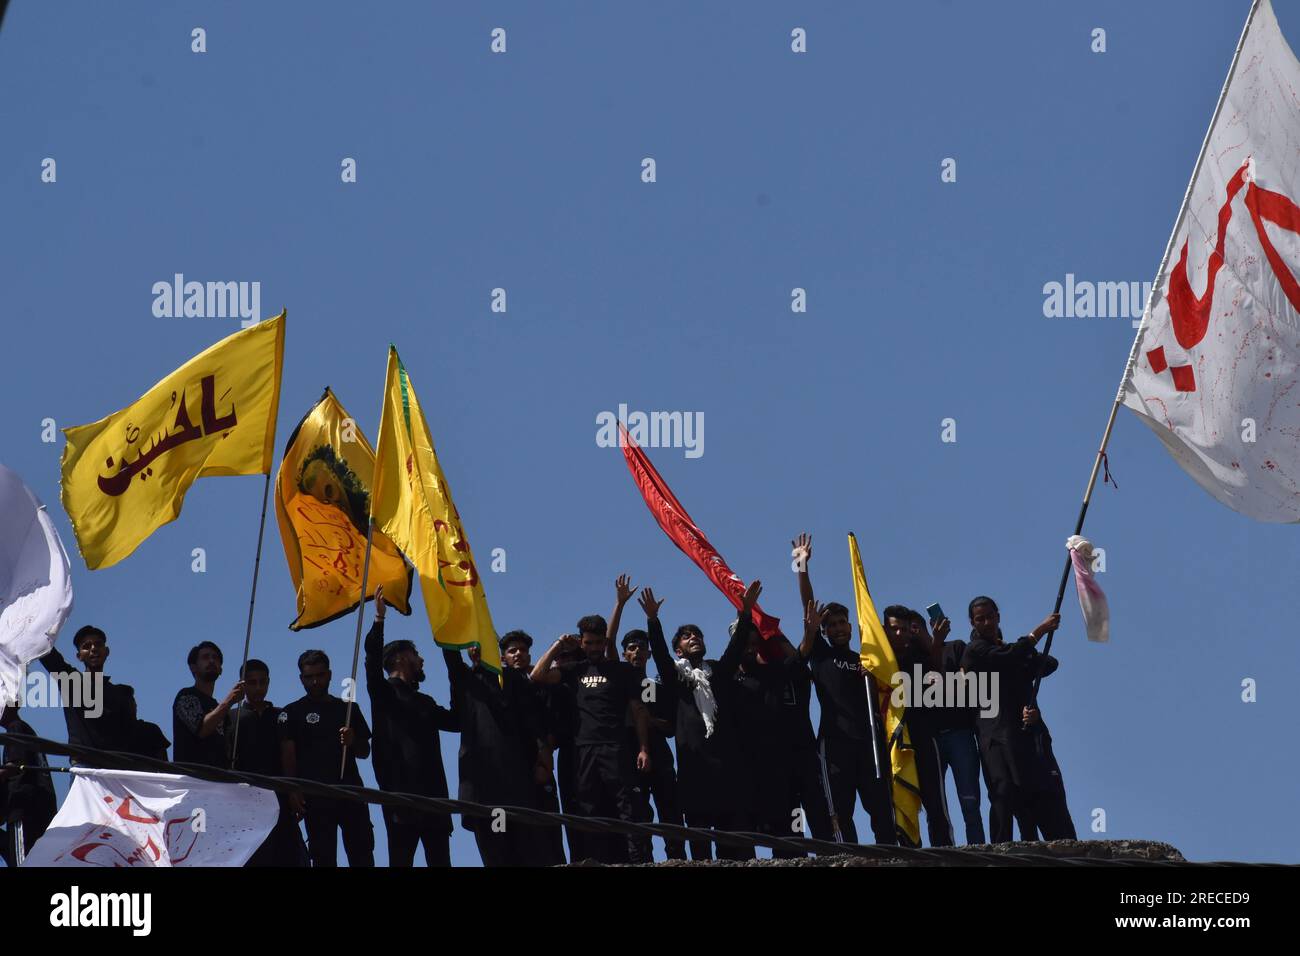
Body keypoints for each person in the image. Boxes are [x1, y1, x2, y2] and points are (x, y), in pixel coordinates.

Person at [791, 534, 896, 845]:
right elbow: (808, 606)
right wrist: (801, 565)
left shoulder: (865, 659)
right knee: (840, 812)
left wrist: (874, 673)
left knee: (880, 809)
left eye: (842, 623)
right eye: (831, 625)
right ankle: (848, 858)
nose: (837, 628)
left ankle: (890, 855)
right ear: (823, 631)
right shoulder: (822, 655)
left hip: (870, 742)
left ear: (851, 626)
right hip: (835, 746)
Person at [531, 610, 653, 864]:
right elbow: (537, 676)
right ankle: (597, 860)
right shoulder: (573, 670)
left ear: (605, 642)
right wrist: (558, 645)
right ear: (581, 642)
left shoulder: (621, 671)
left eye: (599, 642)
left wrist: (643, 748)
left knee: (628, 807)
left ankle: (637, 860)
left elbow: (638, 710)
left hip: (616, 747)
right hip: (582, 750)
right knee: (589, 808)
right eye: (588, 643)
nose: (594, 648)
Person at [641, 585, 750, 860]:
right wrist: (653, 620)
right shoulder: (677, 680)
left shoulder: (718, 672)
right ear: (679, 648)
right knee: (700, 850)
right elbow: (662, 658)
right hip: (694, 774)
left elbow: (736, 649)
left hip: (729, 773)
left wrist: (744, 611)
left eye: (697, 634)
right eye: (686, 636)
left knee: (735, 849)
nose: (694, 638)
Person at [960, 596, 1076, 843]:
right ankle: (1001, 852)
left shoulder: (1011, 653)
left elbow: (1047, 664)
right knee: (1003, 793)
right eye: (980, 619)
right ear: (972, 623)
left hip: (1026, 737)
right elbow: (1006, 657)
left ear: (998, 616)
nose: (987, 622)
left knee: (1041, 794)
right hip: (995, 738)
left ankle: (1061, 848)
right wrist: (1039, 632)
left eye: (990, 616)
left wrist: (1033, 710)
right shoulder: (975, 652)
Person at [443, 613, 550, 867]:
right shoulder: (465, 680)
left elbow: (532, 724)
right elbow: (450, 657)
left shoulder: (513, 679)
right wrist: (448, 614)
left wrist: (542, 759)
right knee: (495, 857)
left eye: (484, 643)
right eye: (474, 644)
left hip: (518, 783)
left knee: (528, 854)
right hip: (482, 789)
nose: (478, 648)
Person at [362, 587, 459, 867]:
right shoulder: (384, 693)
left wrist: (459, 675)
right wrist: (379, 621)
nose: (422, 660)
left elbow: (457, 721)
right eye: (416, 654)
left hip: (436, 802)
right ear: (401, 658)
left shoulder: (425, 702)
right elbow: (371, 662)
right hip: (400, 799)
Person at [281, 648, 375, 867]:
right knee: (323, 857)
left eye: (320, 675)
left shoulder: (348, 709)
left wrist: (353, 740)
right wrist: (292, 790)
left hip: (351, 792)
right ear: (301, 678)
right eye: (309, 677)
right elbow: (288, 755)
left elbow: (364, 752)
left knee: (362, 854)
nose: (315, 681)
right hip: (315, 797)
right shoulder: (291, 712)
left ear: (330, 674)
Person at [38, 625, 169, 762]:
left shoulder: (122, 693)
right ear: (79, 656)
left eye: (98, 644)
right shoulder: (72, 683)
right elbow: (48, 655)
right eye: (86, 646)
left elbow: (132, 731)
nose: (93, 649)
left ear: (106, 651)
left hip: (120, 771)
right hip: (87, 772)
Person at [880, 607, 954, 847]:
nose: (900, 633)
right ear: (884, 630)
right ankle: (910, 852)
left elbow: (939, 679)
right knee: (900, 799)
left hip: (923, 734)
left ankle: (945, 853)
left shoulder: (919, 656)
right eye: (894, 628)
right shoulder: (877, 660)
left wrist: (937, 642)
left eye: (904, 628)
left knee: (935, 802)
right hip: (893, 738)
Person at [225, 659, 309, 866]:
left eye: (262, 682)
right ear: (242, 685)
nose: (258, 688)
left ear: (269, 682)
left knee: (287, 852)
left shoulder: (281, 715)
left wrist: (292, 789)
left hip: (278, 795)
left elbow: (288, 752)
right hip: (243, 796)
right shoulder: (230, 716)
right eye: (252, 683)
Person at [915, 608, 987, 844]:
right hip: (931, 739)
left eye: (916, 629)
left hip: (959, 734)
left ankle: (977, 850)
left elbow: (966, 685)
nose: (913, 635)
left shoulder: (955, 647)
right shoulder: (913, 661)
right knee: (933, 802)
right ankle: (942, 851)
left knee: (970, 800)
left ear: (927, 627)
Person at [500, 629, 566, 865]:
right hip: (510, 770)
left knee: (548, 827)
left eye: (523, 650)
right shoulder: (498, 685)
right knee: (516, 831)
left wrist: (543, 762)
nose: (519, 654)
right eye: (512, 650)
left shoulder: (541, 685)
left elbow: (549, 729)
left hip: (540, 766)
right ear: (502, 658)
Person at [620, 627, 685, 860]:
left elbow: (670, 727)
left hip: (661, 757)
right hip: (629, 756)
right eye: (631, 648)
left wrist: (651, 720)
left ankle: (677, 860)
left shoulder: (657, 686)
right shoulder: (617, 685)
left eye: (642, 648)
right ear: (624, 654)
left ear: (649, 654)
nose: (637, 651)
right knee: (638, 814)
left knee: (671, 812)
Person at [0, 704, 57, 866]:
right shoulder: (27, 729)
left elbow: (14, 765)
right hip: (40, 810)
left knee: (24, 861)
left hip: (23, 810)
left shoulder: (15, 727)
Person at [173, 641, 242, 768]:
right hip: (193, 780)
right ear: (193, 667)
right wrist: (229, 701)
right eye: (205, 657)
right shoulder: (186, 697)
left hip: (218, 781)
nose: (211, 661)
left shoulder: (220, 709)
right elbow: (202, 730)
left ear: (221, 669)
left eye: (215, 658)